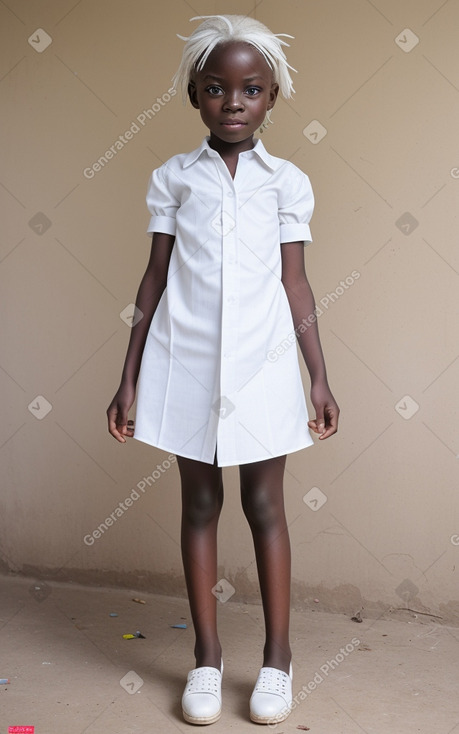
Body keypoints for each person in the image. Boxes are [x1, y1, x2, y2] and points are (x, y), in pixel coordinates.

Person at [107, 14, 339, 726]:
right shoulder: (172, 178)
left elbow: (295, 285)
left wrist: (317, 376)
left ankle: (277, 660)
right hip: (186, 362)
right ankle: (205, 660)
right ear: (194, 96)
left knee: (264, 506)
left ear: (270, 98)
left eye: (249, 90)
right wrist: (129, 376)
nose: (232, 102)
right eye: (215, 88)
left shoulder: (286, 182)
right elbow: (152, 278)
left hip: (263, 365)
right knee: (199, 504)